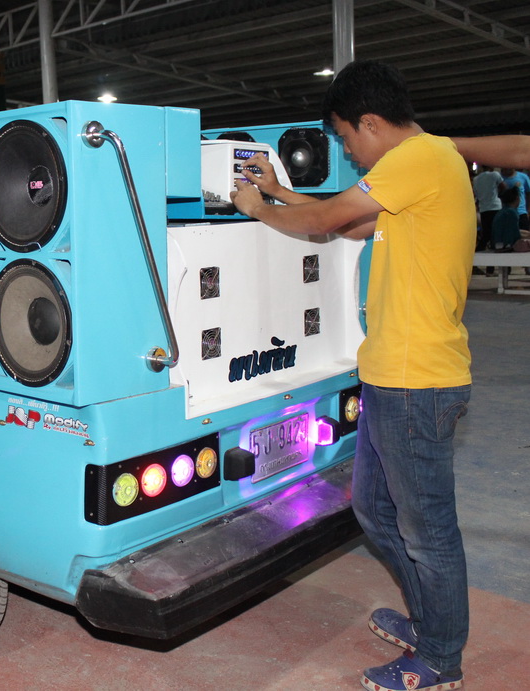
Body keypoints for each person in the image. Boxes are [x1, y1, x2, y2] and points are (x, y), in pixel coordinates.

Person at [230, 60, 473, 691]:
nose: (346, 152)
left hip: (418, 380)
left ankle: (441, 657)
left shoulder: (418, 158)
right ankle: (432, 623)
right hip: (393, 377)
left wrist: (257, 208)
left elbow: (326, 222)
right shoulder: (422, 171)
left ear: (369, 122)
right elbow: (352, 220)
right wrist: (280, 193)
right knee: (373, 510)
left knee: (426, 530)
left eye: (344, 138)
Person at [470, 164, 505, 250]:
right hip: (495, 206)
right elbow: (503, 187)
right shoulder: (495, 175)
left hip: (484, 208)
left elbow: (475, 193)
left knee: (486, 231)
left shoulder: (476, 179)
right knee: (497, 230)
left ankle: (481, 247)